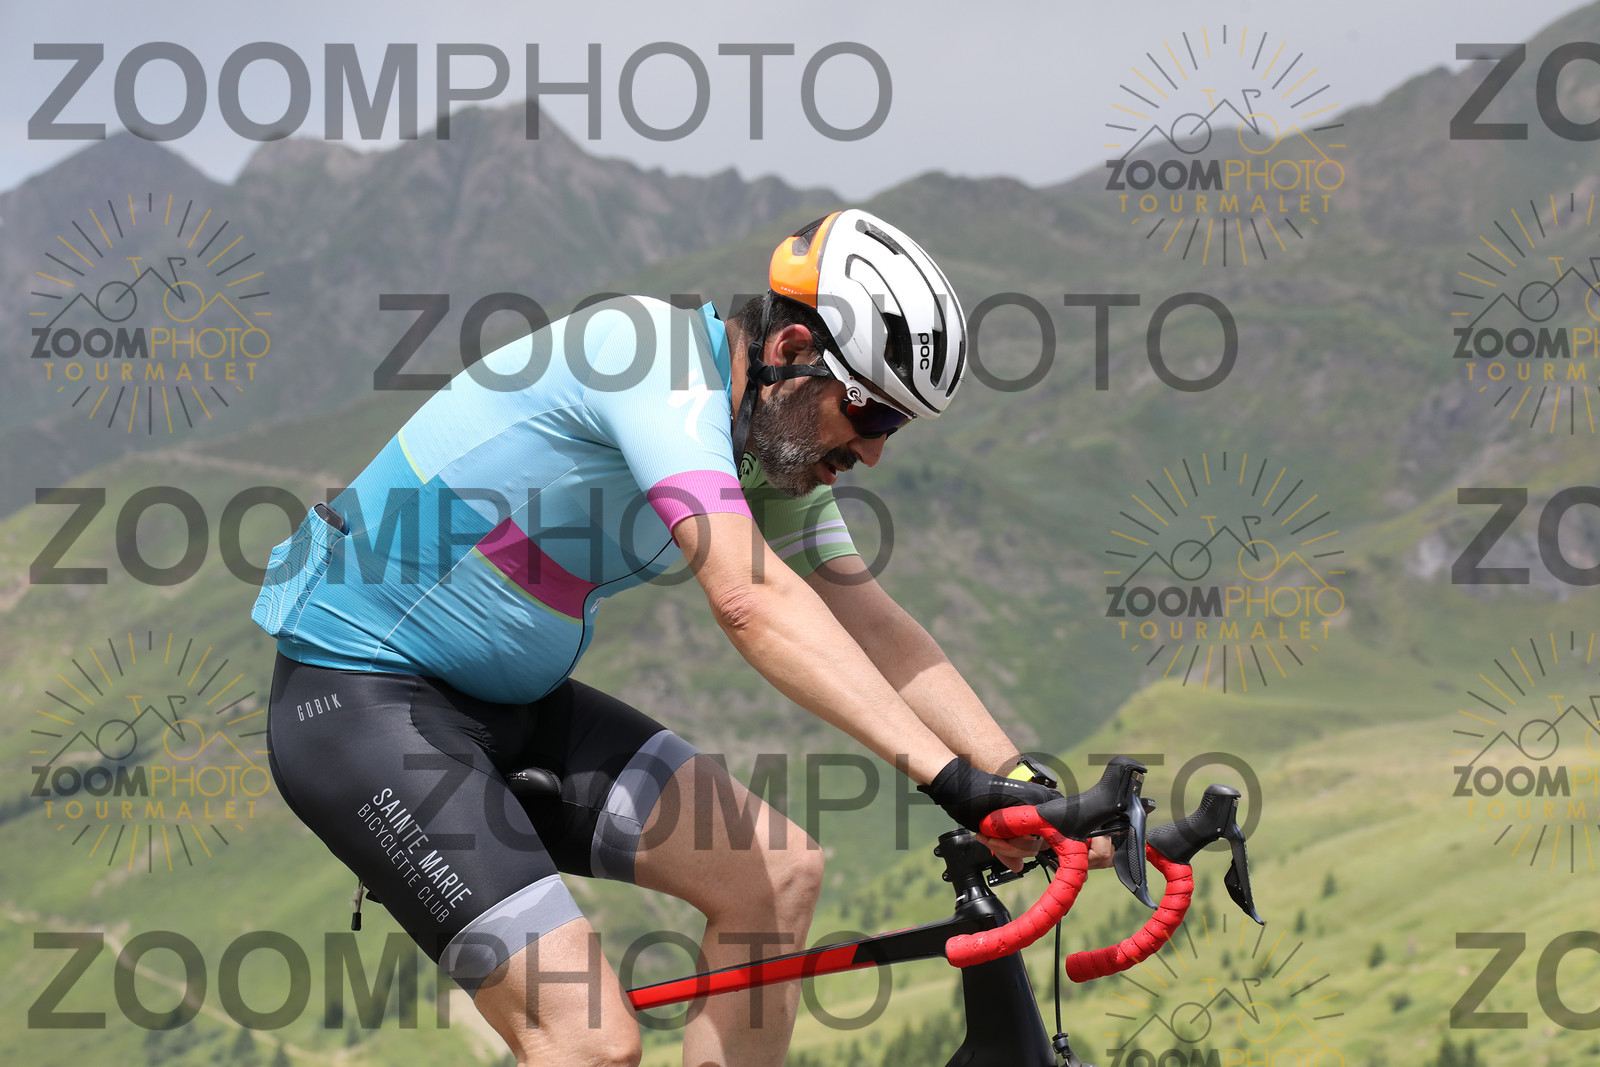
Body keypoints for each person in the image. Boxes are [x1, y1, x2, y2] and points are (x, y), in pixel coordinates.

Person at [253, 209, 1107, 1066]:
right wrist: (949, 781)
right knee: (589, 1042)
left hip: (511, 708)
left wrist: (1020, 784)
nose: (874, 452)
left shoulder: (756, 445)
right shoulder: (646, 360)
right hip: (363, 701)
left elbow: (872, 620)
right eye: (871, 414)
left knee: (777, 875)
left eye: (896, 427)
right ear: (791, 351)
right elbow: (747, 601)